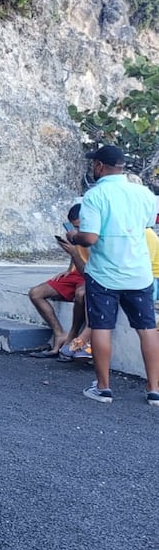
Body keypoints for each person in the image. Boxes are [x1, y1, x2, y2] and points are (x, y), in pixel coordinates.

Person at [65, 145, 159, 405]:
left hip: (105, 274)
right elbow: (149, 223)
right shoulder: (144, 193)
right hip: (139, 273)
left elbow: (91, 238)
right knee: (147, 329)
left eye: (93, 163)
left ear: (100, 166)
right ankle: (154, 390)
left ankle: (103, 388)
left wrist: (74, 236)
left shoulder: (95, 196)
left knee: (102, 327)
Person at [27, 203, 88, 357]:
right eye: (74, 227)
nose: (77, 231)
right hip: (77, 271)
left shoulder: (95, 235)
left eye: (80, 227)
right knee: (35, 293)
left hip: (90, 274)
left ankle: (73, 335)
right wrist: (68, 270)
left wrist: (74, 254)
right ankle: (59, 332)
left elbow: (89, 271)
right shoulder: (75, 234)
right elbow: (78, 254)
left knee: (81, 294)